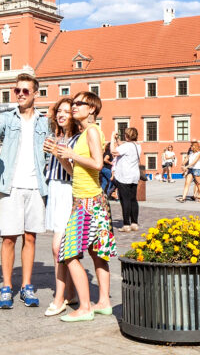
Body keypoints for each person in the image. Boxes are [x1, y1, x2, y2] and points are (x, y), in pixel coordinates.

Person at [0, 73, 49, 310]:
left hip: (36, 185)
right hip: (11, 185)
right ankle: (6, 287)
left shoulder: (45, 122)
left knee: (31, 237)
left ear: (35, 93)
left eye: (26, 90)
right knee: (8, 238)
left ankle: (26, 286)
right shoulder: (6, 118)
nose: (21, 94)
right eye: (17, 90)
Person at [56, 92, 115, 322]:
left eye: (78, 103)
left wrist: (71, 154)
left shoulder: (91, 130)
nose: (73, 107)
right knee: (98, 253)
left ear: (91, 109)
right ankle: (104, 302)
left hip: (88, 203)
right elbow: (78, 173)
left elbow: (99, 164)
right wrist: (63, 158)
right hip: (91, 199)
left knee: (69, 253)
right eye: (73, 103)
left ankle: (85, 307)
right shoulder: (85, 133)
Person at [41, 98, 79, 316]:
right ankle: (71, 292)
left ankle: (59, 298)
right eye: (59, 111)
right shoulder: (57, 136)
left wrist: (57, 153)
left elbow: (74, 172)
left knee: (59, 247)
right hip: (54, 189)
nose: (62, 115)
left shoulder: (76, 139)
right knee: (60, 244)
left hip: (67, 190)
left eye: (67, 111)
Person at [112, 126, 141, 230]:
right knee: (133, 199)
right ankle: (134, 223)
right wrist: (117, 140)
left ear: (127, 135)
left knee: (125, 200)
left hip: (124, 176)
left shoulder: (126, 146)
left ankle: (126, 224)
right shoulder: (137, 145)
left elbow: (113, 151)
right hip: (134, 176)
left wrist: (112, 138)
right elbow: (122, 146)